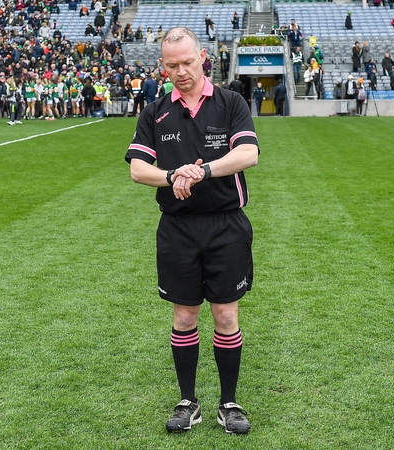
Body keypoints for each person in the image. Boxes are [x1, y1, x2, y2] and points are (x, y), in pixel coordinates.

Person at [125, 26, 258, 436]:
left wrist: (200, 171)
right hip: (178, 228)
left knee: (225, 313)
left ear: (203, 57)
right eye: (171, 65)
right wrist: (171, 176)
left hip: (226, 225)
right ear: (162, 66)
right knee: (184, 316)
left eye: (187, 62)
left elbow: (248, 153)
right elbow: (137, 168)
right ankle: (188, 401)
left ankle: (229, 402)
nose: (181, 71)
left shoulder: (231, 102)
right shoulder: (155, 111)